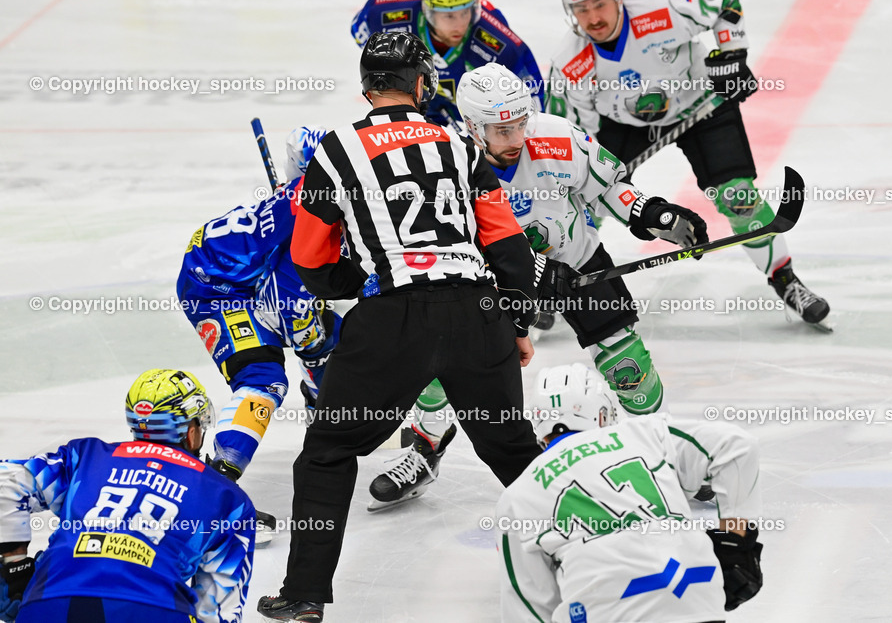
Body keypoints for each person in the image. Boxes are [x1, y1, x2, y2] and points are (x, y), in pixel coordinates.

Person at [256, 31, 541, 621]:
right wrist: (515, 318)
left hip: (390, 322)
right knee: (516, 452)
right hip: (476, 314)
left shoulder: (336, 150)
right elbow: (507, 243)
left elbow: (309, 257)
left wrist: (348, 287)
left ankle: (305, 595)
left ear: (367, 89)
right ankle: (602, 546)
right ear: (420, 84)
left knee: (328, 455)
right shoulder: (459, 142)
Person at [367, 62, 710, 510]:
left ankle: (664, 454)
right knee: (438, 368)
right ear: (472, 126)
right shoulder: (443, 159)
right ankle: (426, 447)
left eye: (519, 124)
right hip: (488, 282)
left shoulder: (557, 135)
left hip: (577, 260)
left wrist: (657, 215)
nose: (516, 140)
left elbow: (610, 187)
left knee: (628, 365)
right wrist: (532, 275)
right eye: (501, 130)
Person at [548, 0, 830, 328]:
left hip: (700, 106)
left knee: (739, 199)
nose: (594, 18)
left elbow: (724, 3)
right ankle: (550, 289)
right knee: (582, 202)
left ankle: (785, 280)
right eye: (582, 10)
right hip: (624, 126)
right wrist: (590, 184)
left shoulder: (660, 10)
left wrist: (733, 56)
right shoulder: (568, 64)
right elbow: (570, 139)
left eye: (600, 4)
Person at [497, 363, 764, 622]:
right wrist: (736, 542)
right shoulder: (645, 432)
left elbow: (528, 606)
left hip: (605, 610)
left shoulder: (519, 494)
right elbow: (738, 446)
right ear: (603, 414)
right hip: (696, 596)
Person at [0, 369, 255, 623]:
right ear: (190, 431)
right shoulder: (227, 497)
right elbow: (217, 610)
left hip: (52, 600)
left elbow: (7, 480)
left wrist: (15, 564)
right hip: (154, 608)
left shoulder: (86, 456)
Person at [176, 128, 342, 497]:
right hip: (215, 289)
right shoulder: (318, 224)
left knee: (330, 335)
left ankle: (322, 416)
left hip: (246, 275)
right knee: (264, 379)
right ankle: (213, 490)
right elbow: (293, 317)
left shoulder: (310, 196)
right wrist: (319, 355)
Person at [351, 0, 544, 128]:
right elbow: (359, 28)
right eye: (449, 16)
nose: (460, 25)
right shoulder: (388, 14)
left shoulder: (496, 39)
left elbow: (532, 97)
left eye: (465, 12)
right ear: (428, 11)